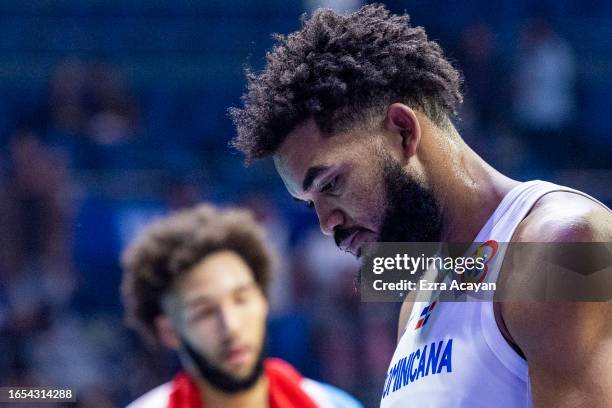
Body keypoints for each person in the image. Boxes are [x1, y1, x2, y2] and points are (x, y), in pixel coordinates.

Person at [229, 5, 612, 407]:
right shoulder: (417, 296)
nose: (327, 224)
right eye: (310, 205)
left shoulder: (564, 245)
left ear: (402, 131)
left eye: (332, 184)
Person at [121, 204, 362, 408]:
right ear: (169, 331)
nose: (231, 326)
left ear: (264, 300)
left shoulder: (332, 404)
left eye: (241, 299)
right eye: (204, 312)